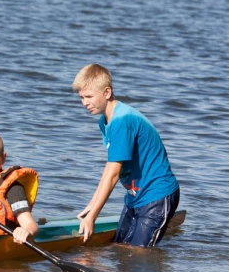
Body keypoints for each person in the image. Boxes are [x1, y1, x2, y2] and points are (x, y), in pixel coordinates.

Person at [72, 64, 180, 247]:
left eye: (89, 97)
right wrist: (92, 205)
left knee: (138, 253)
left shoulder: (122, 121)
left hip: (157, 196)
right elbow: (109, 168)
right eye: (81, 97)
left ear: (107, 92)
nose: (85, 103)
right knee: (119, 247)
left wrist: (93, 217)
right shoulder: (105, 120)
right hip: (135, 195)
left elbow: (114, 173)